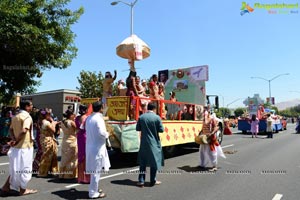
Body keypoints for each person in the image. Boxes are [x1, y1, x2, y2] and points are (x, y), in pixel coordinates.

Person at [1, 100, 38, 196]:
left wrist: (13, 139)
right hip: (24, 147)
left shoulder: (16, 116)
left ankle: (6, 187)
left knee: (16, 168)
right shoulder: (27, 117)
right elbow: (24, 130)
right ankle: (23, 190)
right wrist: (16, 140)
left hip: (16, 147)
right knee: (25, 169)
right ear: (26, 107)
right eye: (31, 106)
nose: (32, 107)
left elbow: (10, 129)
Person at [85, 101, 110, 199]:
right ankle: (93, 193)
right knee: (96, 171)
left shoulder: (89, 118)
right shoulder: (98, 119)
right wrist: (107, 134)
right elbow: (101, 133)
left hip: (90, 146)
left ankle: (94, 188)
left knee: (93, 170)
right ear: (100, 109)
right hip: (97, 148)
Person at [136, 103, 164, 187]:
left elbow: (137, 128)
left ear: (147, 108)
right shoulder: (157, 117)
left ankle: (141, 181)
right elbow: (161, 130)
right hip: (154, 143)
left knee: (142, 162)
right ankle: (153, 180)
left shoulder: (141, 117)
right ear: (154, 109)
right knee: (154, 162)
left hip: (144, 143)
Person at [37, 108, 59, 177]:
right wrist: (53, 123)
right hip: (47, 139)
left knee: (51, 155)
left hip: (44, 139)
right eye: (49, 114)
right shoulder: (46, 123)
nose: (50, 115)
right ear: (46, 115)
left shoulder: (41, 121)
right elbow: (53, 130)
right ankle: (42, 172)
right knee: (47, 156)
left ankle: (50, 171)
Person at [59, 109, 78, 179]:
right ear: (70, 115)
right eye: (73, 114)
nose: (75, 115)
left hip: (65, 141)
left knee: (64, 158)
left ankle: (62, 174)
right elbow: (78, 129)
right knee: (73, 158)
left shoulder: (62, 122)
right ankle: (70, 175)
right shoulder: (72, 122)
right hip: (72, 141)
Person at [75, 105, 90, 184]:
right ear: (86, 110)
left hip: (79, 137)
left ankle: (80, 177)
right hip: (86, 137)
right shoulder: (87, 118)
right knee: (86, 156)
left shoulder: (77, 118)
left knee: (81, 156)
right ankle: (86, 178)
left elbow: (77, 128)